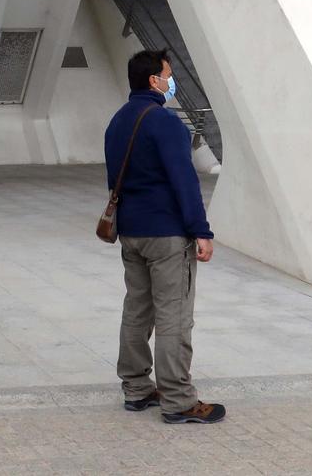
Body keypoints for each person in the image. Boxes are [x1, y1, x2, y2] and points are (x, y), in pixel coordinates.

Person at [105, 48, 224, 424]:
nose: (172, 81)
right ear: (154, 80)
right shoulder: (166, 123)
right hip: (167, 234)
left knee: (137, 310)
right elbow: (185, 182)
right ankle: (178, 399)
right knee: (174, 315)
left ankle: (137, 388)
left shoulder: (118, 121)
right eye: (168, 74)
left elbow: (114, 180)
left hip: (132, 231)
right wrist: (200, 231)